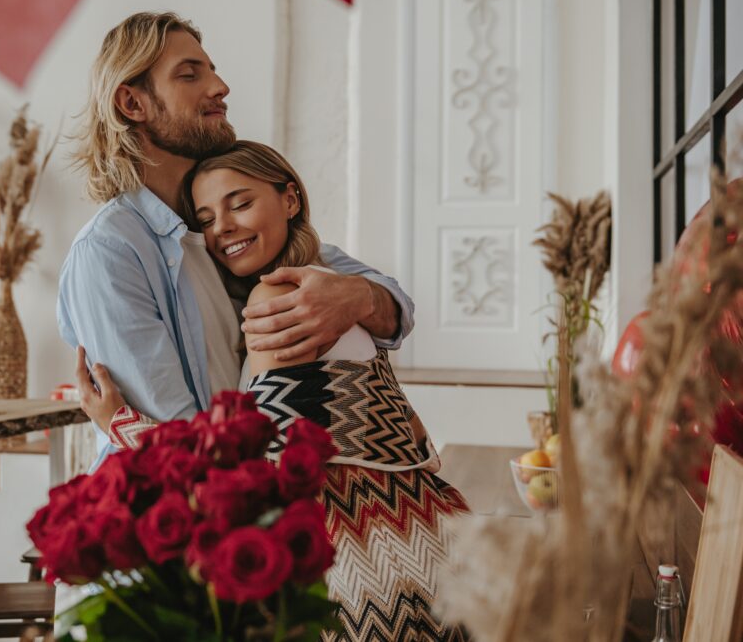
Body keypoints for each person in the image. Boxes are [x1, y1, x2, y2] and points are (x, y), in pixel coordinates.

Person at [80, 141, 471, 642]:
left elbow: (249, 477)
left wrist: (121, 424)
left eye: (240, 204)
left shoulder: (280, 298)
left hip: (360, 566)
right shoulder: (321, 282)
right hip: (422, 538)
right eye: (205, 218)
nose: (222, 227)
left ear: (290, 200)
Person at [58, 12, 413, 471]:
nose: (221, 86)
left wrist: (359, 298)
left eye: (213, 69)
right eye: (190, 74)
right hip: (181, 521)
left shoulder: (233, 230)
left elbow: (394, 309)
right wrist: (123, 424)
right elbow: (176, 440)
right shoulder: (110, 252)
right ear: (132, 103)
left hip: (263, 504)